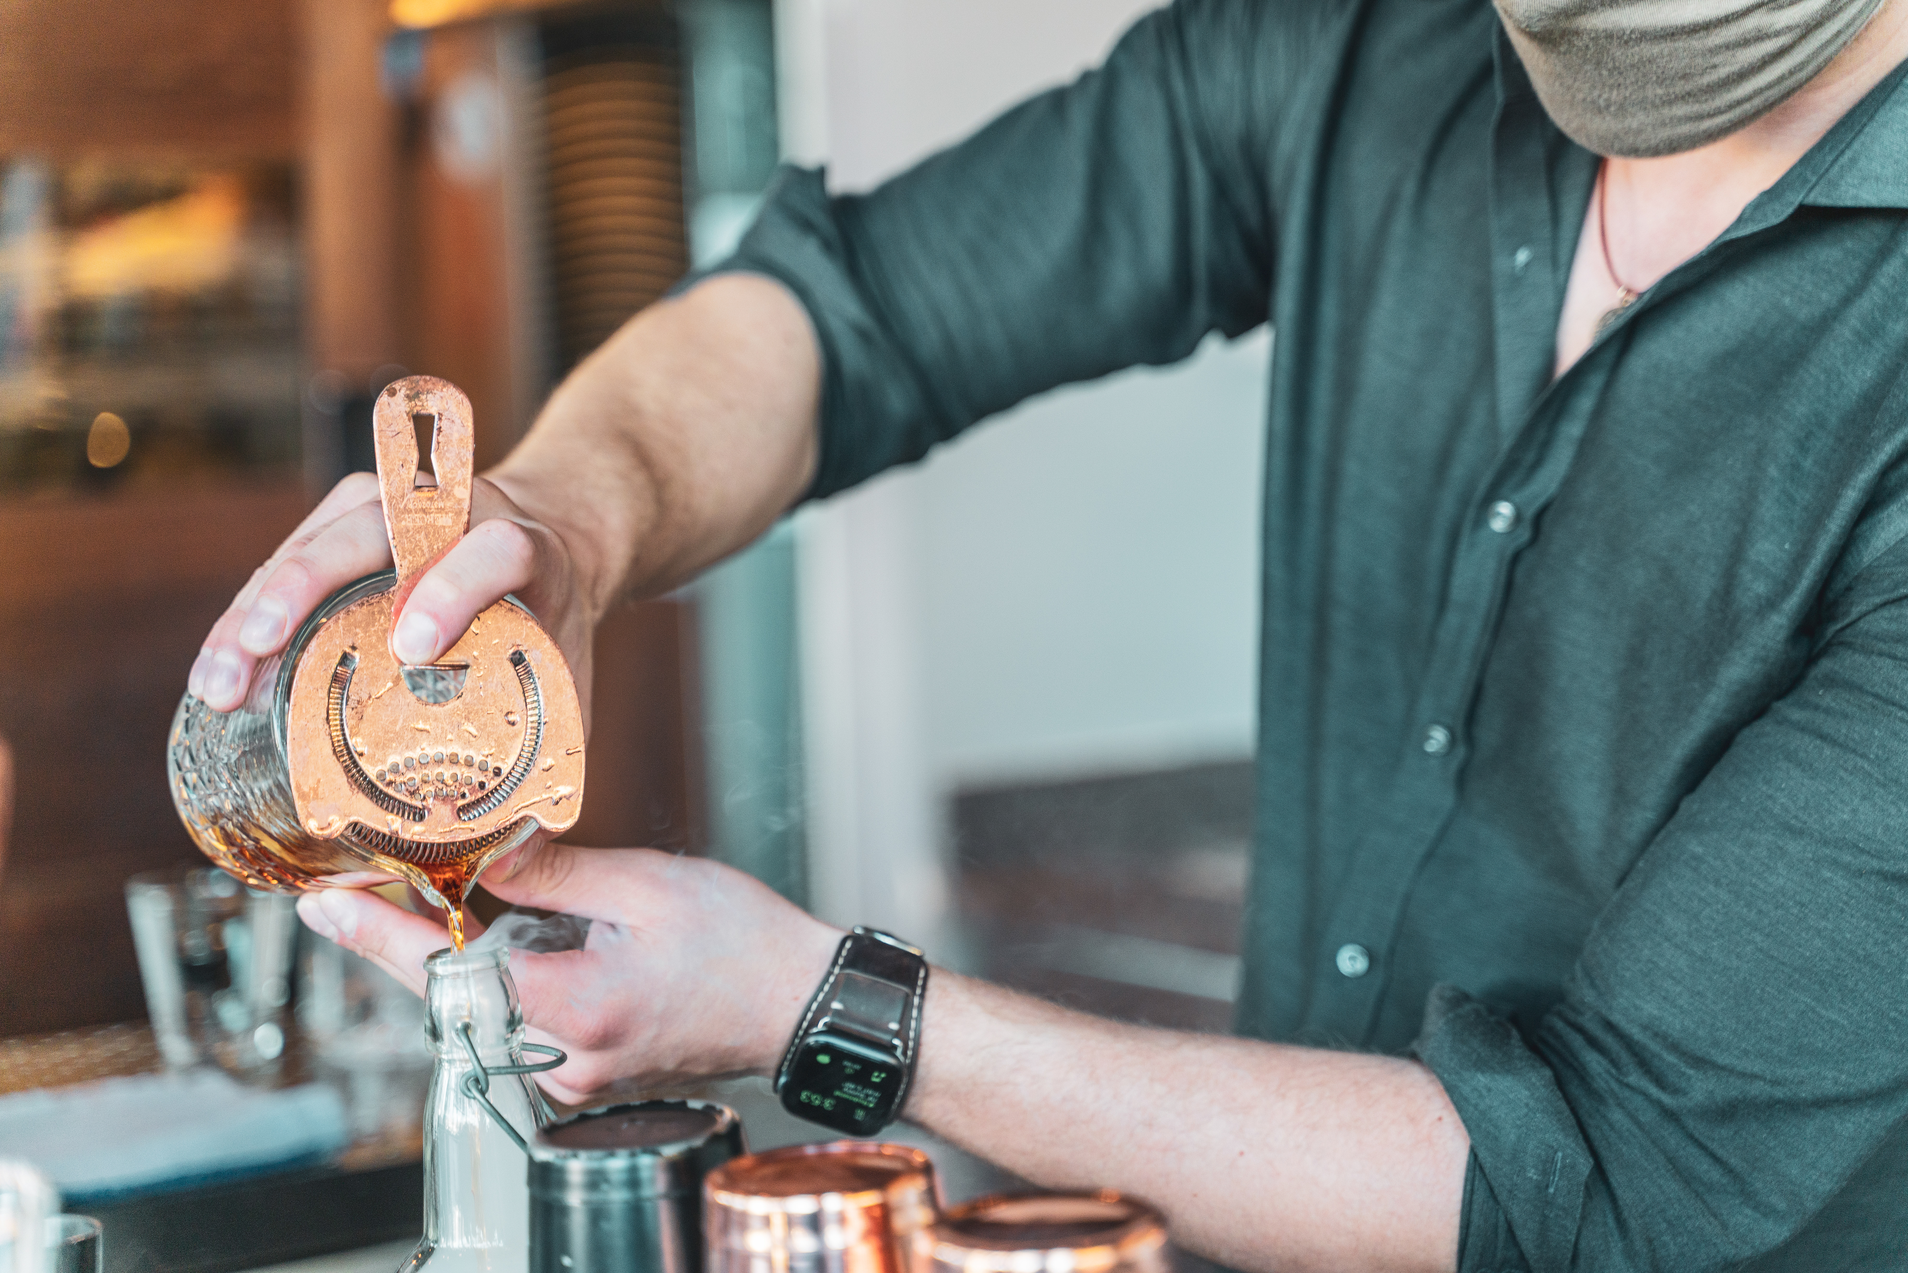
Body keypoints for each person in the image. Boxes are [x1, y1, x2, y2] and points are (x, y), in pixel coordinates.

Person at [192, 0, 1908, 1263]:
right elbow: (851, 313)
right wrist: (567, 516)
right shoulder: (1380, 48)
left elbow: (1604, 1192)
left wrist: (816, 1005)